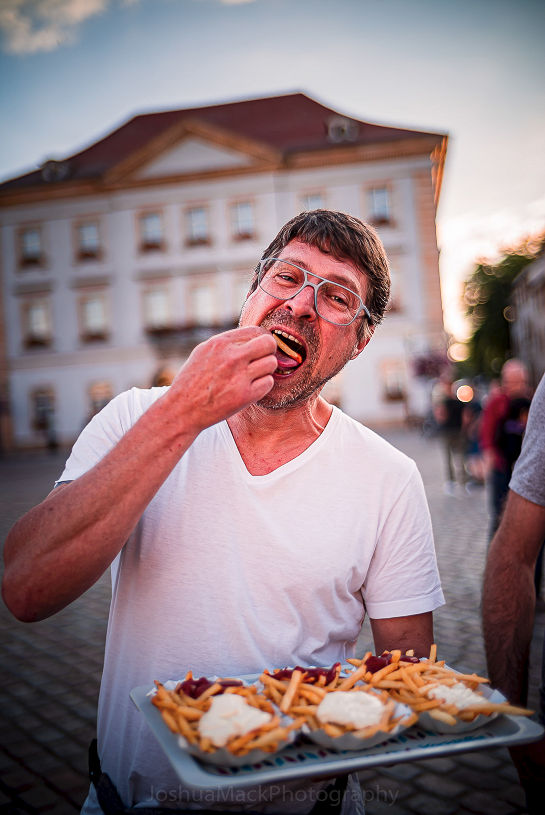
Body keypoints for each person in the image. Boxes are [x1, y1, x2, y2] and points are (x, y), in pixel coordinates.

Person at [2, 210, 444, 815]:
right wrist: (184, 411)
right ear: (253, 291)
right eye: (287, 277)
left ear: (362, 340)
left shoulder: (388, 477)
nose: (301, 305)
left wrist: (299, 725)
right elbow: (26, 589)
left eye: (337, 297)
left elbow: (408, 669)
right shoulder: (134, 416)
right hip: (131, 800)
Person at [482, 373, 545, 815]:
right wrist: (515, 725)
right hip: (508, 474)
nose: (520, 382)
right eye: (515, 378)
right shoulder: (503, 403)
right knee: (499, 521)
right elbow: (513, 555)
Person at [480, 359, 531, 536]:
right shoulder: (497, 402)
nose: (516, 386)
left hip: (526, 468)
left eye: (519, 381)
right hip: (502, 466)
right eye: (511, 381)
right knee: (499, 517)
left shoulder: (530, 401)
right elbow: (486, 432)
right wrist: (489, 455)